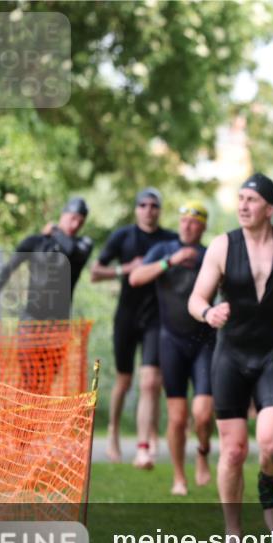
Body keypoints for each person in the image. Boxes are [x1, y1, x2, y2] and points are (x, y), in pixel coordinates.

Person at [189, 174, 273, 536]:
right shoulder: (222, 246)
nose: (243, 205)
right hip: (230, 357)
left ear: (270, 208)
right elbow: (196, 299)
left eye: (252, 199)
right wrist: (208, 313)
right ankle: (233, 529)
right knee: (233, 451)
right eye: (240, 198)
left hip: (271, 356)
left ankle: (266, 485)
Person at [128, 201, 214, 496]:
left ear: (203, 226)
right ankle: (179, 477)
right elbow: (135, 277)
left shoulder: (209, 254)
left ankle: (202, 452)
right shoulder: (164, 250)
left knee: (203, 414)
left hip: (204, 342)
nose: (187, 226)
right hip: (171, 341)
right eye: (184, 220)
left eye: (194, 221)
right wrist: (171, 261)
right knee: (177, 418)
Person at [91, 187, 177, 468]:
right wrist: (124, 269)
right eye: (143, 205)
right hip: (126, 316)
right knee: (125, 381)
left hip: (156, 318)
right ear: (136, 208)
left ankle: (147, 439)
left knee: (152, 381)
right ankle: (113, 432)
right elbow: (95, 272)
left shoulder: (169, 240)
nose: (148, 210)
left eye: (154, 205)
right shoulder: (123, 236)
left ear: (159, 210)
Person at [0, 196, 93, 393]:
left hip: (57, 325)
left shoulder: (83, 245)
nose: (75, 225)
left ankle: (38, 424)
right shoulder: (35, 243)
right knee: (29, 381)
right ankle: (26, 424)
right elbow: (9, 267)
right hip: (31, 321)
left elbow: (68, 249)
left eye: (81, 222)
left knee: (45, 383)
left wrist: (55, 231)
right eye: (73, 218)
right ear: (63, 214)